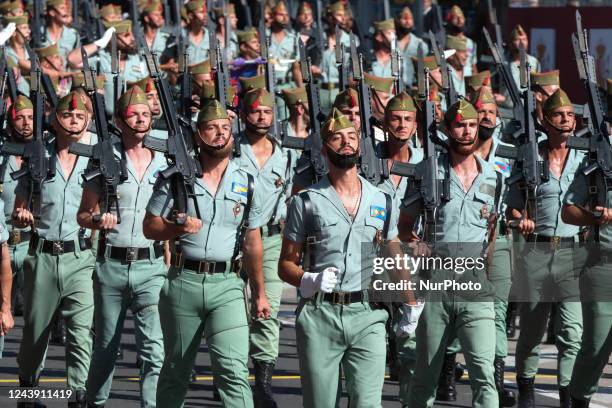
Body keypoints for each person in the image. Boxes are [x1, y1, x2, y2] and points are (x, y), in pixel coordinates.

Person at [144, 99, 270, 408]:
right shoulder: (176, 176)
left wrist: (260, 293)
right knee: (176, 370)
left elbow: (253, 241)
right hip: (183, 281)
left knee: (233, 371)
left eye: (225, 128)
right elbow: (150, 226)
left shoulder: (248, 183)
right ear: (198, 134)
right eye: (211, 128)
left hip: (227, 283)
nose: (219, 133)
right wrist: (177, 229)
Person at [279, 108, 402, 407]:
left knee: (368, 403)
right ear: (324, 149)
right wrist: (308, 279)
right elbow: (286, 264)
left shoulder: (382, 199)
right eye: (337, 138)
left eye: (351, 137)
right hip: (321, 314)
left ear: (360, 146)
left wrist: (409, 299)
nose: (346, 143)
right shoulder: (306, 202)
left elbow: (392, 249)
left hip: (368, 314)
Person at [401, 99, 501, 408]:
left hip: (474, 283)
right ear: (447, 130)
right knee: (425, 376)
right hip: (436, 282)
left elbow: (492, 228)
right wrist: (420, 248)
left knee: (484, 373)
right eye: (460, 124)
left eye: (471, 124)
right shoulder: (426, 173)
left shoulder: (493, 177)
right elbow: (405, 227)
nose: (467, 130)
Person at [76, 86, 168, 408]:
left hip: (152, 266)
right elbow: (83, 214)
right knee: (105, 348)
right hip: (111, 266)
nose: (141, 119)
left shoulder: (164, 160)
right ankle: (95, 402)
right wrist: (98, 218)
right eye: (133, 114)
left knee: (153, 350)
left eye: (145, 113)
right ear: (120, 119)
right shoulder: (105, 158)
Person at [13, 92, 97, 408]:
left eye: (79, 116)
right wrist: (22, 216)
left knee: (80, 333)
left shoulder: (97, 158)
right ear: (54, 119)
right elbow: (19, 210)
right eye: (67, 115)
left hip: (80, 256)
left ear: (88, 119)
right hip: (43, 255)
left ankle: (77, 395)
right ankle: (28, 392)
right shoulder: (38, 156)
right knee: (36, 335)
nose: (74, 121)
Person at [506, 89, 585, 408]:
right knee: (532, 331)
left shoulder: (585, 158)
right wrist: (520, 218)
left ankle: (567, 395)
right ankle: (526, 389)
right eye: (558, 115)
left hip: (573, 252)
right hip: (536, 252)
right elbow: (511, 206)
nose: (565, 120)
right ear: (545, 120)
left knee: (572, 331)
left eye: (569, 115)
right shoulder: (530, 159)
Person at [233, 88, 295, 407]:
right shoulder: (230, 149)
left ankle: (263, 383)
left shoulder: (286, 155)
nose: (261, 116)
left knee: (266, 309)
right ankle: (234, 378)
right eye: (255, 111)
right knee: (234, 311)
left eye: (267, 112)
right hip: (232, 238)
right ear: (244, 114)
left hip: (270, 239)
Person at [471, 86, 517, 407]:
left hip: (498, 237)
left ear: (497, 118)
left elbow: (519, 197)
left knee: (497, 310)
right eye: (480, 113)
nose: (486, 117)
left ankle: (496, 379)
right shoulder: (458, 150)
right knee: (454, 308)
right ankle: (446, 372)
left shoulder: (509, 153)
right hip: (463, 241)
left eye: (490, 112)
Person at [0, 96, 34, 319]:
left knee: (36, 319)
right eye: (19, 118)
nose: (26, 123)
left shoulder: (46, 153)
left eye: (30, 117)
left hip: (31, 244)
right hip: (3, 242)